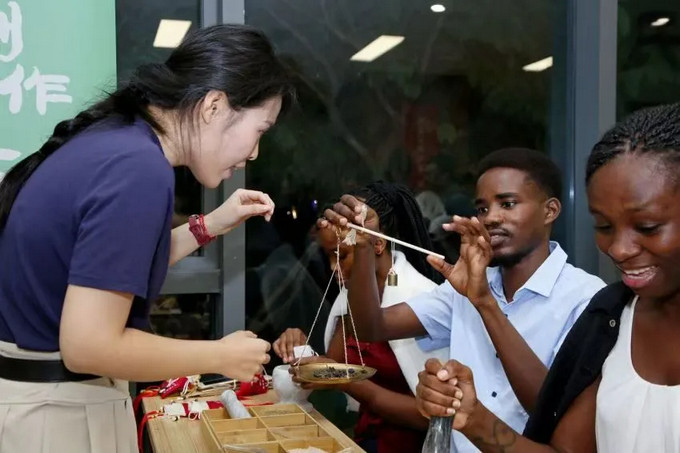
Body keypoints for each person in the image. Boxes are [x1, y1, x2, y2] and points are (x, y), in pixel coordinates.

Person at [0, 24, 294, 452]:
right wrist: (220, 356)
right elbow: (88, 346)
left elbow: (105, 266)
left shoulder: (118, 140)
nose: (254, 153)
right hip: (57, 416)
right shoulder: (139, 169)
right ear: (214, 106)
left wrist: (209, 225)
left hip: (39, 406)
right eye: (260, 130)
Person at [415, 103, 680, 453]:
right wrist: (473, 418)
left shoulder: (584, 297)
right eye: (603, 226)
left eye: (647, 227)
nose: (618, 249)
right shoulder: (609, 319)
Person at [321, 149, 606, 453]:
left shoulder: (586, 299)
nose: (491, 218)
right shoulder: (465, 286)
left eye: (508, 204)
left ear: (550, 211)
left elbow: (552, 408)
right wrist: (364, 245)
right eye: (482, 208)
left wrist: (484, 302)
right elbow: (371, 327)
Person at [273, 182, 448, 453]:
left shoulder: (423, 302)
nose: (333, 268)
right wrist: (301, 348)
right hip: (361, 441)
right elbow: (333, 366)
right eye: (328, 256)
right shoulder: (349, 297)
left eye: (341, 256)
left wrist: (345, 379)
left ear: (376, 244)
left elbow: (435, 416)